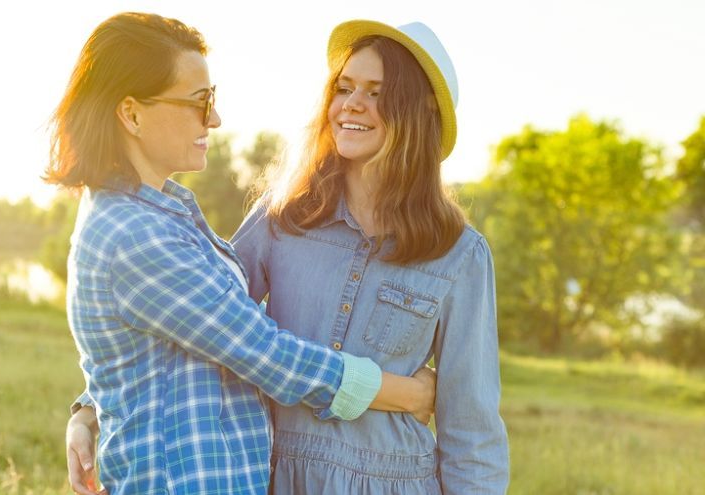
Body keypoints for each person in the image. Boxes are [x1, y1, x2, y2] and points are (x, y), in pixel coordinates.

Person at [67, 18, 510, 494]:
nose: (353, 104)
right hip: (280, 477)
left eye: (379, 93)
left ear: (420, 113)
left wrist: (93, 404)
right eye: (344, 88)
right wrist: (92, 404)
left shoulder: (460, 255)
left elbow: (473, 433)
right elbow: (219, 330)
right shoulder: (283, 218)